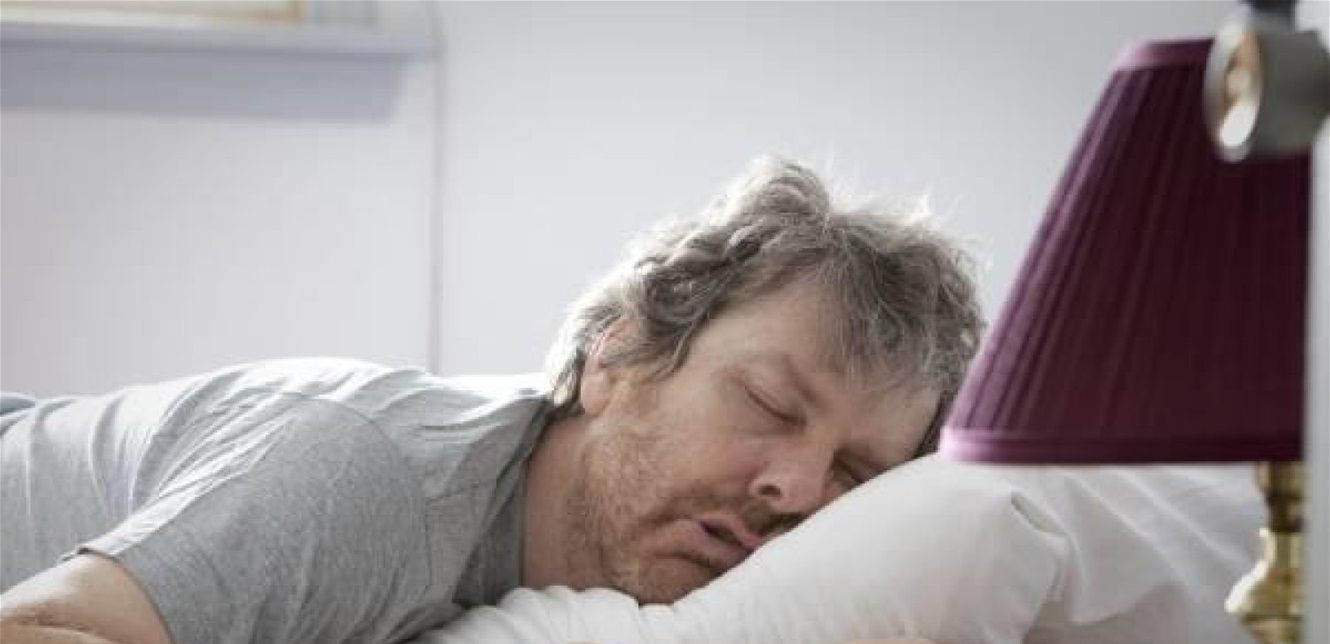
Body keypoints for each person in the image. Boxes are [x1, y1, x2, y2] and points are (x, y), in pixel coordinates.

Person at [0, 156, 983, 644]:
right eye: (768, 402)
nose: (798, 488)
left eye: (854, 470)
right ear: (617, 356)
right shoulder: (368, 475)